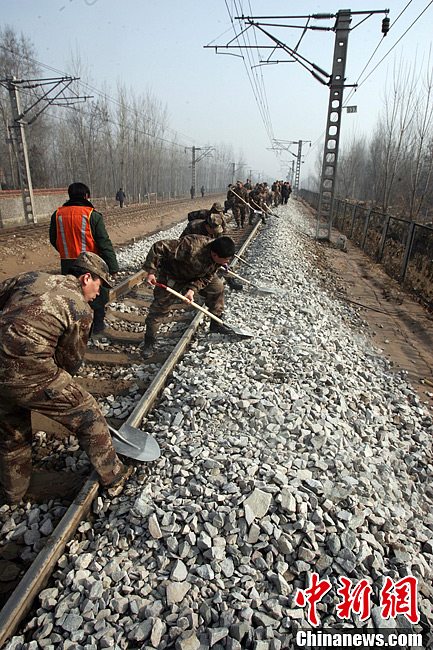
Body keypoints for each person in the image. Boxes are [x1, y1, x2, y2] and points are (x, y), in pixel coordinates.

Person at [0, 252, 133, 505]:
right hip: (29, 373)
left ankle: (13, 494)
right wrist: (59, 388)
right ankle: (114, 478)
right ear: (86, 278)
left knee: (11, 433)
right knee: (88, 414)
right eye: (99, 285)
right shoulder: (80, 308)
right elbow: (69, 360)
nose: (99, 292)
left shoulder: (32, 278)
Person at [141, 235, 236, 358]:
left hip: (195, 277)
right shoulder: (190, 246)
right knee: (159, 308)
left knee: (217, 288)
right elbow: (158, 247)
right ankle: (149, 341)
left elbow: (207, 276)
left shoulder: (218, 257)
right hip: (172, 276)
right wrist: (151, 272)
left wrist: (192, 290)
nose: (227, 262)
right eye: (226, 259)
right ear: (215, 255)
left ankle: (216, 324)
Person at [49, 182, 119, 336]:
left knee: (72, 296)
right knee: (97, 296)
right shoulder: (92, 215)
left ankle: (73, 330)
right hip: (91, 264)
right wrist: (113, 267)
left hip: (67, 263)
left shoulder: (58, 215)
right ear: (87, 196)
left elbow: (53, 238)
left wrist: (66, 252)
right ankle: (97, 327)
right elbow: (104, 243)